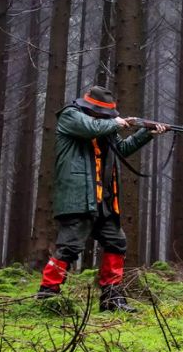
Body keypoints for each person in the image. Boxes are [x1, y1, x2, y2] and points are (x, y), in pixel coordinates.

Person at [36, 86, 167, 312]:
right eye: (105, 115)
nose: (109, 118)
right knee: (69, 247)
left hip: (103, 201)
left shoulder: (104, 127)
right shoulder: (71, 116)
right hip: (77, 198)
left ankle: (111, 297)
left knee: (117, 242)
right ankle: (48, 295)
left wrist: (146, 133)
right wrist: (115, 123)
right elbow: (90, 128)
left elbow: (122, 149)